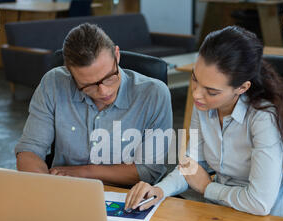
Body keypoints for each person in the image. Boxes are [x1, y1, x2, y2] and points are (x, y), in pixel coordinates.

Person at [125, 26, 283, 218]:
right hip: (216, 212)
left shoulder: (264, 118)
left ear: (242, 87)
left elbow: (259, 203)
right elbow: (191, 166)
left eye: (211, 91)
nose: (197, 94)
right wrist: (159, 190)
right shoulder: (203, 105)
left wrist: (207, 187)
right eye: (195, 80)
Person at [15, 23, 172, 186]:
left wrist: (84, 172)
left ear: (117, 56)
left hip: (129, 197)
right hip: (67, 190)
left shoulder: (153, 94)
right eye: (88, 85)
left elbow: (149, 171)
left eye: (109, 77)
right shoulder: (53, 84)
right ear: (69, 72)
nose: (104, 92)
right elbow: (30, 150)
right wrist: (44, 186)